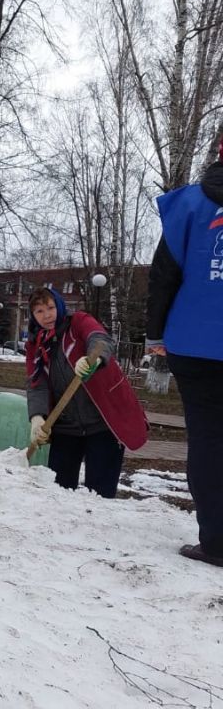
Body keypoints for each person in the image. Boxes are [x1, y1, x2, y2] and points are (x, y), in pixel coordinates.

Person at [147, 147, 223, 567]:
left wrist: (155, 334)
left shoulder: (190, 204)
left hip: (195, 343)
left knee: (209, 439)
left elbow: (164, 275)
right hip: (195, 345)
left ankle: (216, 541)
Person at [25, 287, 147, 498]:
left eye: (51, 308)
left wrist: (94, 359)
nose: (47, 315)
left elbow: (100, 339)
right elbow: (37, 383)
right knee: (57, 492)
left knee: (100, 495)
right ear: (33, 316)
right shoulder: (36, 345)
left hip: (103, 423)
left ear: (60, 306)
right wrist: (37, 417)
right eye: (39, 311)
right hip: (65, 427)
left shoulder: (78, 322)